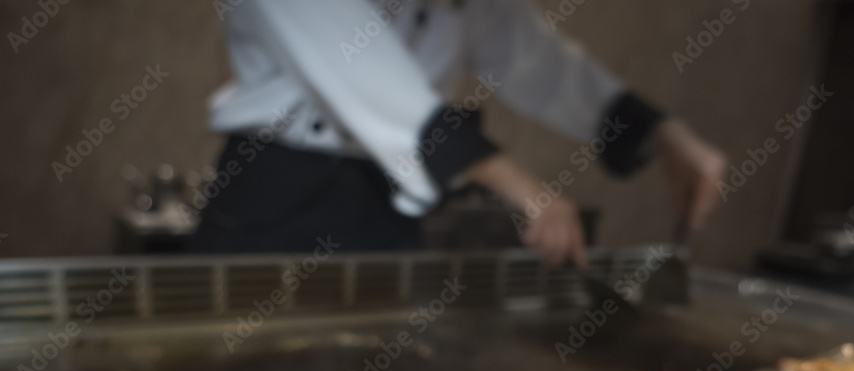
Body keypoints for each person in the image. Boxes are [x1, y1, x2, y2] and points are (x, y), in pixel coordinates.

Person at [192, 0, 727, 266]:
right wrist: (531, 193)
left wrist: (662, 132)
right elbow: (375, 81)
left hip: (387, 208)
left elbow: (542, 63)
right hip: (276, 202)